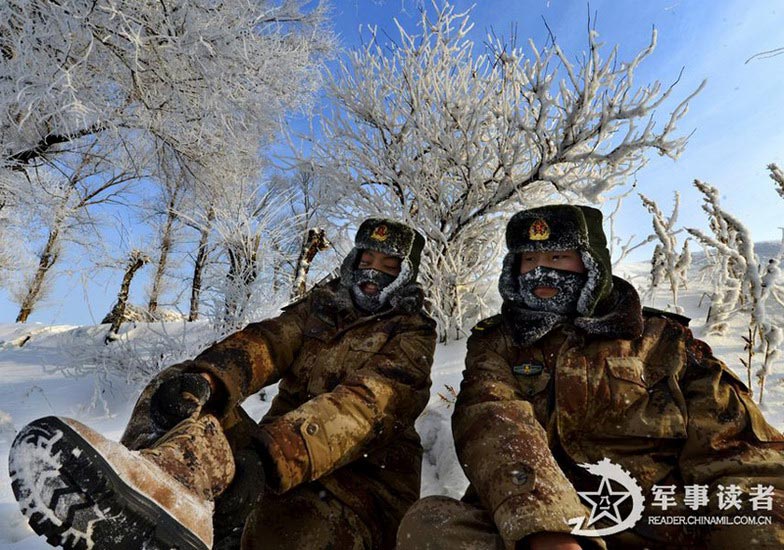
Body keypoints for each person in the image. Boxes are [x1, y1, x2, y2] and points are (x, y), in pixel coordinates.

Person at [10, 218, 437, 550]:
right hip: (271, 463)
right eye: (366, 261)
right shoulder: (320, 309)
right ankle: (151, 493)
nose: (372, 274)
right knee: (177, 386)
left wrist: (271, 454)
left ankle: (204, 522)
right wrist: (208, 380)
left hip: (356, 493)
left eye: (389, 266)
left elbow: (365, 407)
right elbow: (267, 342)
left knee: (278, 532)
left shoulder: (414, 333)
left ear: (407, 275)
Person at [397, 205, 784, 549]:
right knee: (430, 525)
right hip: (533, 525)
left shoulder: (662, 341)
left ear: (591, 263)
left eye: (558, 256)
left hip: (658, 527)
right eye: (528, 259)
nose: (540, 271)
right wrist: (546, 527)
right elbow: (494, 422)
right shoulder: (498, 342)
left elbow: (744, 463)